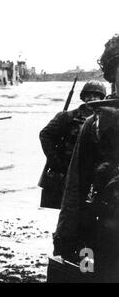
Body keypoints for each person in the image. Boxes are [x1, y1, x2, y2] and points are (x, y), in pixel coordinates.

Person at [53, 34, 119, 280]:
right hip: (95, 232)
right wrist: (64, 238)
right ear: (113, 77)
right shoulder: (93, 124)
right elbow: (74, 188)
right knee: (86, 273)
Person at [39, 80, 106, 209]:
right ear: (83, 97)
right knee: (65, 205)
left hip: (92, 169)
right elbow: (45, 135)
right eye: (88, 95)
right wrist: (54, 160)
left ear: (101, 98)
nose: (91, 98)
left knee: (90, 207)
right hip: (67, 169)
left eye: (96, 96)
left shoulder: (104, 119)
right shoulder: (67, 117)